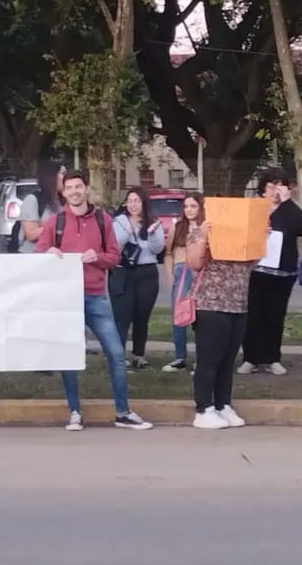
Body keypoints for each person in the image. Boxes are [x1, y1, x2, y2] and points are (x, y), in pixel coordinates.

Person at [35, 170, 152, 431]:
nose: (75, 191)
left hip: (95, 296)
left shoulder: (103, 219)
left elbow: (113, 256)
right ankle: (75, 410)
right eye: (69, 188)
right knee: (69, 355)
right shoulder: (56, 222)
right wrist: (49, 251)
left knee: (116, 352)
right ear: (63, 192)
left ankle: (122, 411)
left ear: (86, 188)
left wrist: (96, 257)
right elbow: (39, 252)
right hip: (65, 298)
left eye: (79, 186)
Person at [183, 205, 257, 429]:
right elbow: (193, 263)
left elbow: (252, 264)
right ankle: (204, 408)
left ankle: (223, 403)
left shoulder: (243, 235)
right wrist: (204, 237)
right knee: (209, 359)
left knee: (227, 360)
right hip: (211, 304)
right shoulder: (200, 232)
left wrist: (259, 238)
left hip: (238, 305)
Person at [239, 168, 302, 376]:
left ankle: (272, 358)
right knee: (253, 315)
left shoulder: (289, 210)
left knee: (275, 316)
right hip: (255, 270)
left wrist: (287, 202)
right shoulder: (254, 208)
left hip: (282, 273)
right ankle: (251, 357)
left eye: (280, 185)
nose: (275, 190)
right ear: (263, 188)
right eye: (271, 185)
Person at [110, 187, 165, 369]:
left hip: (146, 272)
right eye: (130, 200)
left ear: (144, 203)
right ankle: (118, 357)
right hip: (123, 272)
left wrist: (151, 234)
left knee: (142, 317)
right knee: (122, 317)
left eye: (137, 201)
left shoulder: (153, 223)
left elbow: (157, 250)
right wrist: (129, 229)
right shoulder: (119, 221)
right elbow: (115, 245)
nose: (133, 205)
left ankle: (139, 355)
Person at [162, 193, 204, 372]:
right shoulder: (177, 227)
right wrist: (170, 274)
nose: (189, 210)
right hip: (181, 271)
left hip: (200, 274)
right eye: (186, 206)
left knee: (201, 318)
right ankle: (180, 357)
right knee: (179, 316)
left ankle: (202, 358)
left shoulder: (205, 228)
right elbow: (168, 253)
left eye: (193, 206)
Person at [12, 160, 65, 254]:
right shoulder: (33, 199)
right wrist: (58, 228)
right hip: (33, 255)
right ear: (51, 177)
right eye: (62, 173)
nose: (66, 178)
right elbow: (31, 234)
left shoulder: (62, 202)